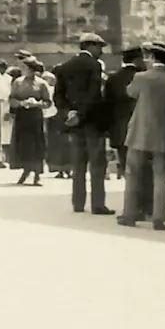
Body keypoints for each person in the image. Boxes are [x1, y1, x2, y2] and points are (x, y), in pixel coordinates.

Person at [117, 43, 165, 231]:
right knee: (161, 176)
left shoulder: (141, 77)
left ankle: (130, 214)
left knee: (133, 174)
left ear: (153, 58)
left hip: (140, 132)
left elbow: (130, 93)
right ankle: (158, 217)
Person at [53, 32, 114, 216]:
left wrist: (69, 112)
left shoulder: (66, 66)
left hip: (74, 123)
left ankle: (78, 203)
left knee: (78, 164)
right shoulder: (93, 66)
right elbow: (94, 94)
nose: (101, 51)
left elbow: (58, 95)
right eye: (99, 47)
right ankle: (97, 204)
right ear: (89, 46)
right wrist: (81, 114)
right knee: (96, 164)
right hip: (92, 121)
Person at [105, 45, 144, 180]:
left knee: (126, 167)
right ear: (138, 59)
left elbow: (108, 105)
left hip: (119, 127)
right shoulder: (143, 76)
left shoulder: (113, 78)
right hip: (142, 127)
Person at [9, 63, 50, 185]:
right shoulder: (18, 82)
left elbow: (48, 102)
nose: (26, 71)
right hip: (22, 116)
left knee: (37, 144)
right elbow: (11, 99)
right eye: (24, 69)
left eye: (28, 69)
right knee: (23, 144)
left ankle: (37, 174)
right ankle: (25, 170)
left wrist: (37, 104)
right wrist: (21, 103)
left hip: (36, 116)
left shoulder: (41, 84)